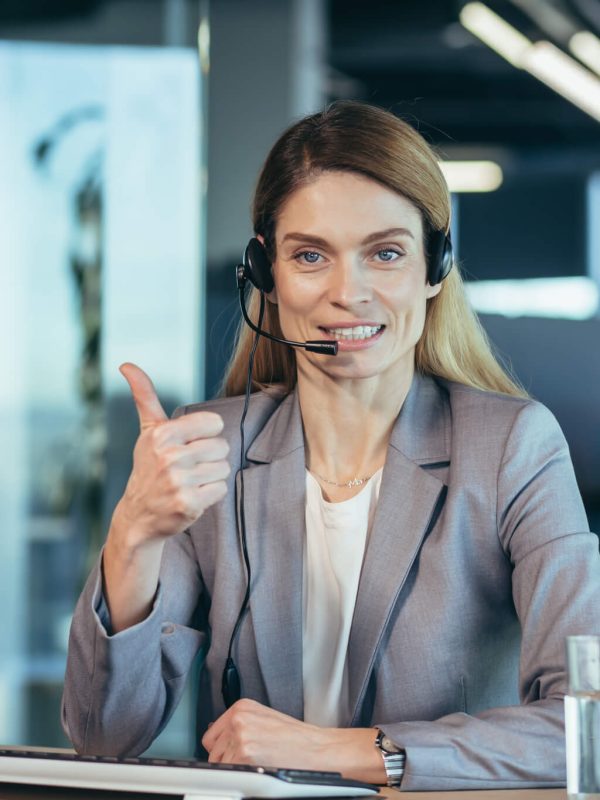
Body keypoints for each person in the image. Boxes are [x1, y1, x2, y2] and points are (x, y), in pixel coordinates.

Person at [62, 101, 600, 791]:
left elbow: (585, 720)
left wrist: (351, 750)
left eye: (385, 253)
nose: (348, 293)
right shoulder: (210, 448)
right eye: (311, 256)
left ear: (435, 267)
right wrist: (133, 536)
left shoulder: (509, 449)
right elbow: (105, 738)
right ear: (266, 273)